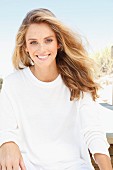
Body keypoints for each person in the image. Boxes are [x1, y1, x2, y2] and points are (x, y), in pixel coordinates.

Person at [0, 8, 112, 170]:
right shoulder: (13, 84)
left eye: (48, 40)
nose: (41, 49)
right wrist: (6, 142)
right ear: (25, 47)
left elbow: (93, 131)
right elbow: (5, 127)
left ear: (59, 43)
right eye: (33, 42)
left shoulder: (77, 80)